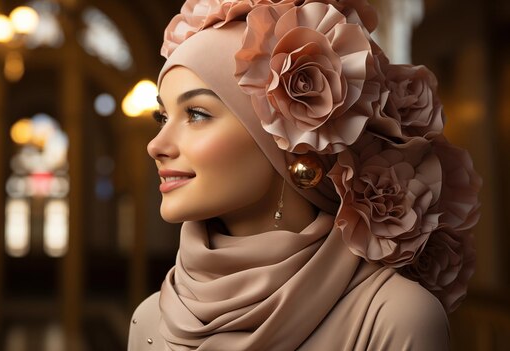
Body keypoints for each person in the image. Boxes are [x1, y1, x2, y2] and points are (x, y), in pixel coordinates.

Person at [128, 0, 482, 350]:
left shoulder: (394, 317)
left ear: (283, 139)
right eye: (162, 116)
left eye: (197, 114)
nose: (156, 144)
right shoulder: (151, 319)